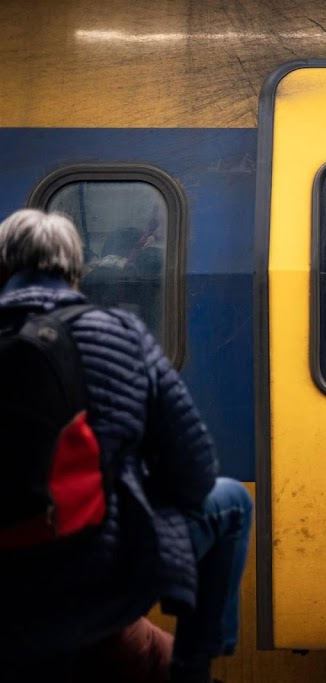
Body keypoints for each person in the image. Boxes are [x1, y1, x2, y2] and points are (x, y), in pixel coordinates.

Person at [0, 208, 252, 683]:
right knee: (231, 502)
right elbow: (195, 473)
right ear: (77, 272)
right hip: (95, 573)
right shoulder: (119, 333)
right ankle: (194, 666)